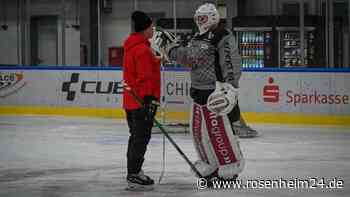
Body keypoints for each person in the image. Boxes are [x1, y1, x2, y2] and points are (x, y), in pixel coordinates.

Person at [154, 3, 245, 183]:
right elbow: (190, 59)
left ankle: (229, 168)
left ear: (213, 17)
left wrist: (230, 87)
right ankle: (210, 165)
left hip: (216, 93)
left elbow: (229, 62)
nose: (200, 22)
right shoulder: (198, 36)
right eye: (197, 19)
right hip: (198, 92)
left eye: (203, 18)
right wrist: (171, 49)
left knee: (219, 132)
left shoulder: (221, 35)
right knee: (200, 134)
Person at [122, 10, 161, 191]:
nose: (153, 30)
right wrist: (150, 101)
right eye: (151, 27)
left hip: (131, 102)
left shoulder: (133, 47)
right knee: (140, 139)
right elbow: (146, 79)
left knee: (135, 138)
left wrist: (157, 60)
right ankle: (134, 174)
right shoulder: (143, 50)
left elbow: (140, 72)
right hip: (141, 103)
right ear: (145, 29)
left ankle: (134, 171)